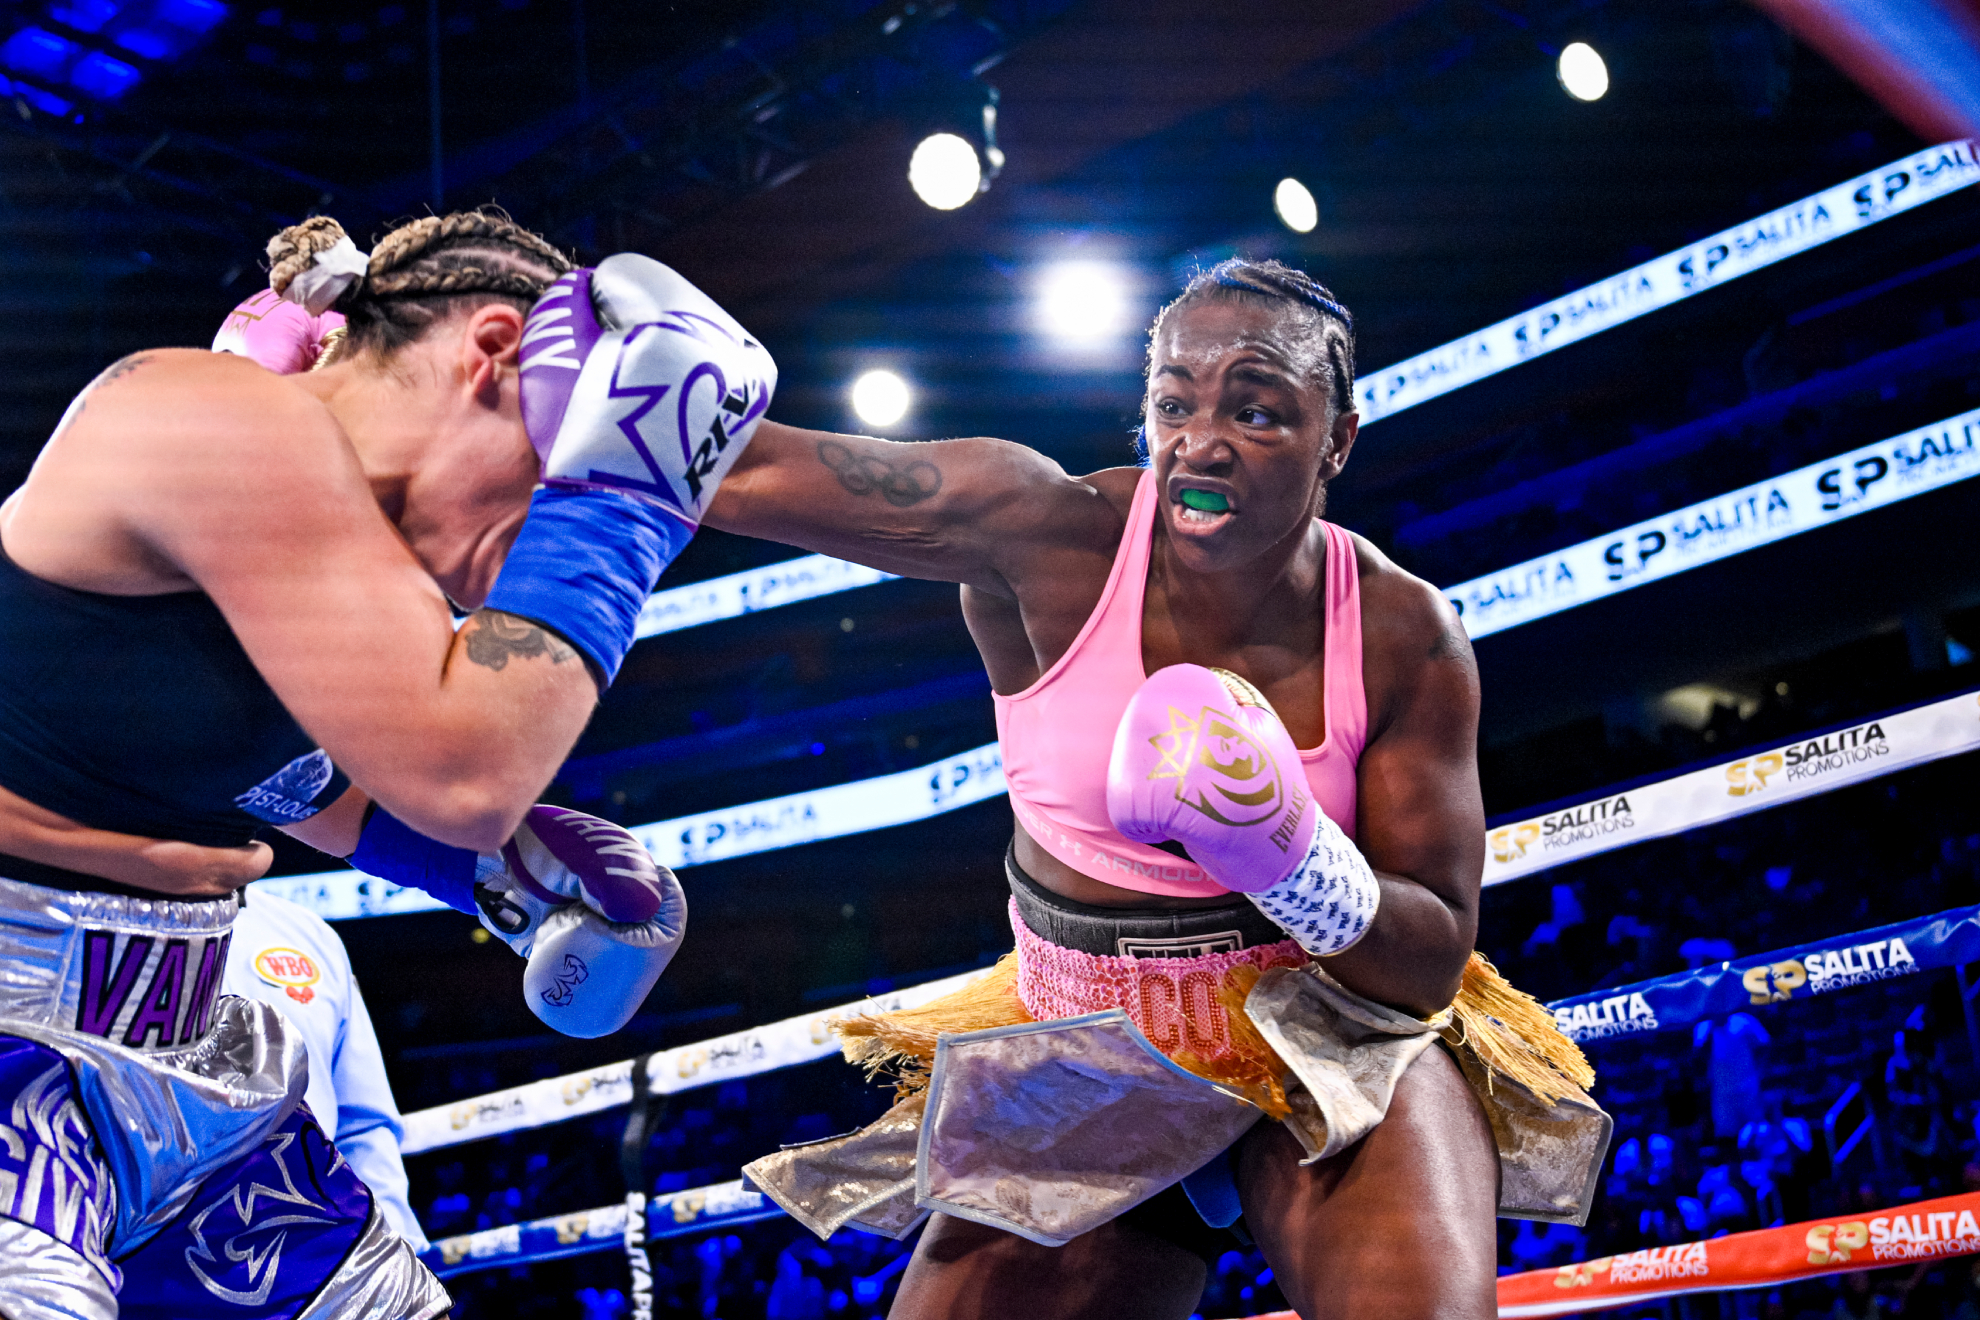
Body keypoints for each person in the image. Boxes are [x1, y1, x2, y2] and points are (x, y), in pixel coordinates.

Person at [722, 260, 1609, 1320]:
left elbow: (1427, 957)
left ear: (1339, 439)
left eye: (1256, 407)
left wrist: (1292, 859)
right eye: (1173, 402)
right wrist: (599, 384)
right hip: (1089, 1034)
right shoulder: (1049, 537)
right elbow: (755, 472)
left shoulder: (1400, 632)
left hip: (1326, 1021)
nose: (1201, 440)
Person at [0, 210, 770, 1317]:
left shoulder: (330, 546)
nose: (534, 535)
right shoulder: (213, 414)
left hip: (187, 1060)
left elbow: (293, 786)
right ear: (497, 353)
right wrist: (625, 496)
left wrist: (498, 877)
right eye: (557, 466)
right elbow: (469, 775)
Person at [223, 887, 427, 1251]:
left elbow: (361, 1124)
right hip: (153, 1261)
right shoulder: (99, 920)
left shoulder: (307, 934)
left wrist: (396, 1251)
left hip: (315, 1253)